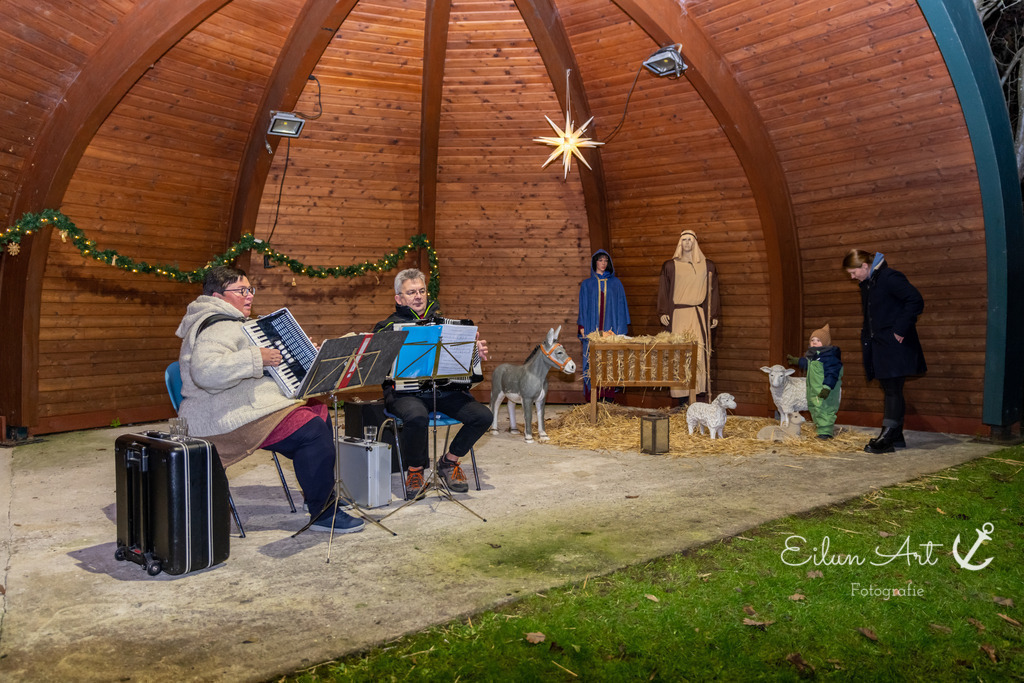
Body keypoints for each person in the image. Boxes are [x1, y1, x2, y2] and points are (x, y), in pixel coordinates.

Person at [175, 266, 363, 534]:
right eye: (241, 290)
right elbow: (205, 373)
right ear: (217, 296)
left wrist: (301, 354)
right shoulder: (215, 327)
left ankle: (321, 492)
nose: (249, 295)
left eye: (250, 289)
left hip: (247, 405)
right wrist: (256, 358)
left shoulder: (239, 324)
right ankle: (323, 512)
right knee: (311, 431)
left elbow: (260, 368)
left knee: (317, 408)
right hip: (223, 416)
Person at [373, 268, 493, 499]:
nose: (418, 296)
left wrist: (473, 352)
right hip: (405, 393)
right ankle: (416, 471)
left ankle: (449, 462)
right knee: (416, 416)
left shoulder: (446, 324)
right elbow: (376, 368)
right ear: (399, 298)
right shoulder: (386, 328)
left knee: (483, 416)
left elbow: (460, 365)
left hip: (444, 390)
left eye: (421, 291)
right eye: (411, 292)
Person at [843, 249, 926, 454]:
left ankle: (887, 438)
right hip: (880, 344)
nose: (852, 277)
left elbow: (915, 300)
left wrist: (899, 329)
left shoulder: (889, 277)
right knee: (891, 387)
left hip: (894, 344)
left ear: (865, 266)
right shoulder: (869, 283)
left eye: (854, 272)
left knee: (892, 388)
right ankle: (895, 435)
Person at [657, 230, 720, 399]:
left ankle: (697, 393)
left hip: (698, 314)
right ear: (679, 243)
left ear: (695, 243)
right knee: (678, 354)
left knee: (698, 353)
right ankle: (681, 397)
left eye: (690, 240)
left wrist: (713, 315)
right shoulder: (670, 266)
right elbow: (664, 290)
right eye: (683, 240)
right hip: (678, 316)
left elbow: (712, 292)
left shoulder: (707, 266)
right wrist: (663, 311)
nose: (686, 243)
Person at [577, 249, 630, 402]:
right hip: (592, 329)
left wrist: (620, 330)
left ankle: (608, 398)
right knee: (592, 362)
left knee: (610, 361)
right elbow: (583, 307)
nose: (603, 264)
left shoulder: (616, 284)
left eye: (606, 261)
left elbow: (621, 307)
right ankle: (593, 398)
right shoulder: (587, 284)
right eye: (600, 260)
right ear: (595, 262)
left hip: (610, 329)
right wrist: (582, 327)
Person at [787, 324, 843, 440]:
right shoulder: (814, 356)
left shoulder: (830, 358)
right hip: (814, 391)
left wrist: (827, 387)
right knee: (815, 409)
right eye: (812, 340)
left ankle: (825, 433)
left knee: (825, 409)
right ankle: (821, 429)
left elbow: (832, 373)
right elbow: (809, 365)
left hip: (825, 390)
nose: (814, 342)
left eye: (818, 340)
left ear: (826, 342)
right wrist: (798, 361)